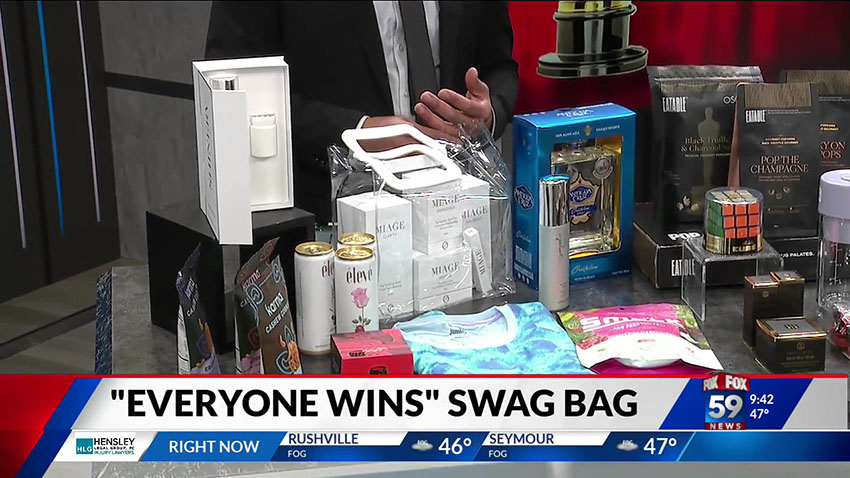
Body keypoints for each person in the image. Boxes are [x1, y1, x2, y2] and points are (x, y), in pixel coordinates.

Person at [206, 1, 519, 222]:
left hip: (456, 216)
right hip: (323, 229)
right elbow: (232, 93)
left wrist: (487, 113)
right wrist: (358, 132)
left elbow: (499, 66)